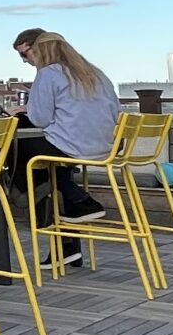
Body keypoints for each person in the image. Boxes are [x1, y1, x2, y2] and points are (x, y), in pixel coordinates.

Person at [11, 28, 115, 218]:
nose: (25, 61)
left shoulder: (48, 73)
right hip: (105, 148)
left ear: (39, 51)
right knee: (53, 156)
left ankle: (26, 192)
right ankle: (69, 242)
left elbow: (40, 119)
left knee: (15, 137)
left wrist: (29, 109)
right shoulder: (96, 74)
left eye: (25, 55)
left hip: (72, 148)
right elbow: (115, 110)